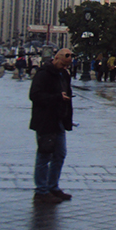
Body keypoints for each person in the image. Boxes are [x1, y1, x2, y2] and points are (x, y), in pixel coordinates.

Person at [29, 48, 75, 204]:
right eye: (63, 64)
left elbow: (67, 95)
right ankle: (41, 191)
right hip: (45, 120)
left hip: (59, 119)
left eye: (67, 66)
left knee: (60, 154)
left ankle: (52, 187)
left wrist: (67, 116)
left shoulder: (64, 75)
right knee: (44, 155)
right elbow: (34, 95)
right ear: (56, 59)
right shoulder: (43, 74)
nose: (65, 68)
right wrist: (56, 97)